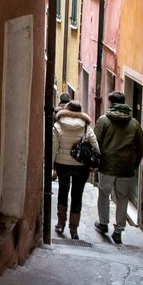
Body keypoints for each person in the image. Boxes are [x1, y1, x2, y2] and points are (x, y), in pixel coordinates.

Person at [94, 91, 143, 245]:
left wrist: (96, 162)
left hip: (107, 165)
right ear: (124, 103)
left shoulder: (103, 121)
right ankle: (118, 231)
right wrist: (135, 163)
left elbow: (95, 142)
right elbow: (142, 146)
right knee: (122, 198)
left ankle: (103, 224)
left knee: (104, 194)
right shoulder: (134, 123)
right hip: (126, 167)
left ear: (111, 103)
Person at [52, 100, 99, 239]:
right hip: (81, 167)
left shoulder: (58, 125)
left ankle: (61, 223)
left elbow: (53, 148)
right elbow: (95, 148)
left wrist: (51, 166)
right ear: (79, 112)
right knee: (77, 196)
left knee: (63, 191)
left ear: (66, 110)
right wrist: (92, 165)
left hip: (62, 165)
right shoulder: (86, 127)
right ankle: (74, 230)